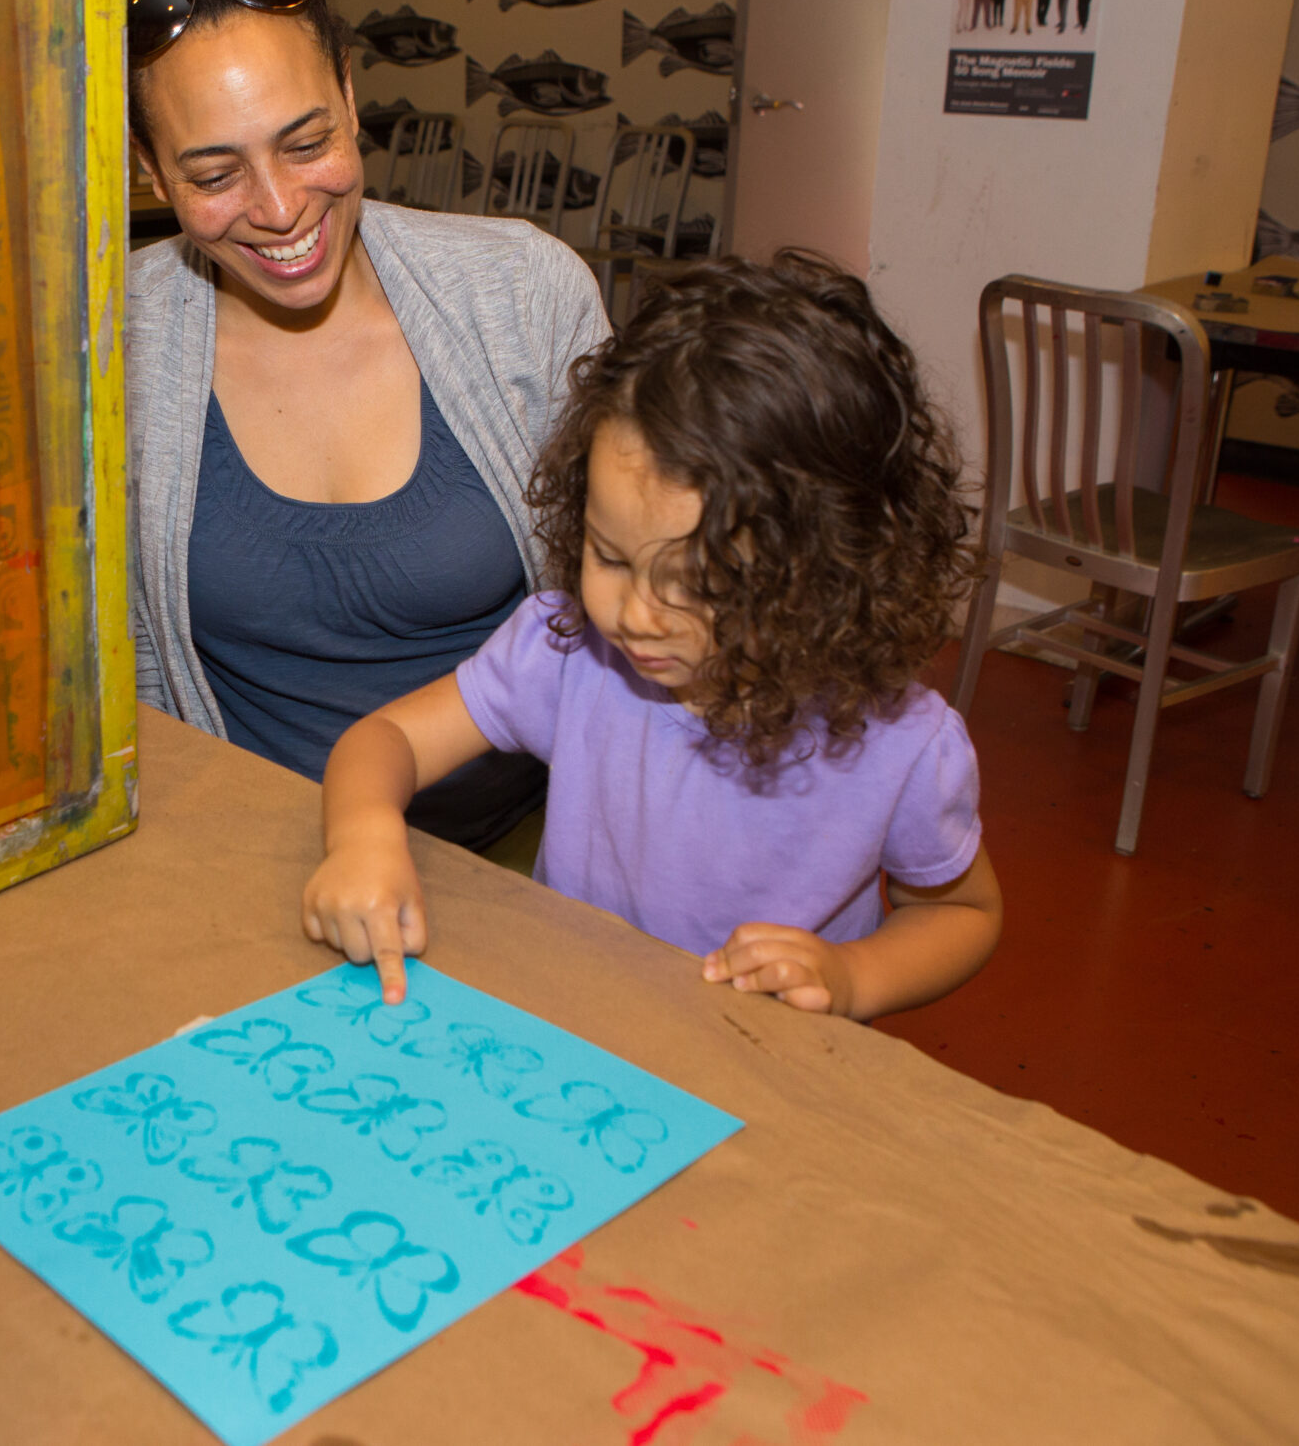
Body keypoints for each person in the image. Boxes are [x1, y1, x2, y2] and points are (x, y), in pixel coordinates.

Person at [302, 252, 1003, 1016]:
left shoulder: (902, 742)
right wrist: (365, 832)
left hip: (763, 1074)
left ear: (829, 572)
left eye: (696, 585)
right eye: (609, 555)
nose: (635, 613)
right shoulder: (568, 652)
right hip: (573, 1033)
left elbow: (962, 913)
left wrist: (852, 976)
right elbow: (385, 740)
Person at [123, 0, 608, 852]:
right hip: (235, 851)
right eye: (215, 176)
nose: (279, 207)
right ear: (147, 168)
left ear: (350, 94)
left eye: (308, 143)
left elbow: (637, 610)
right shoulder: (114, 340)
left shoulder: (523, 294)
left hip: (520, 853)